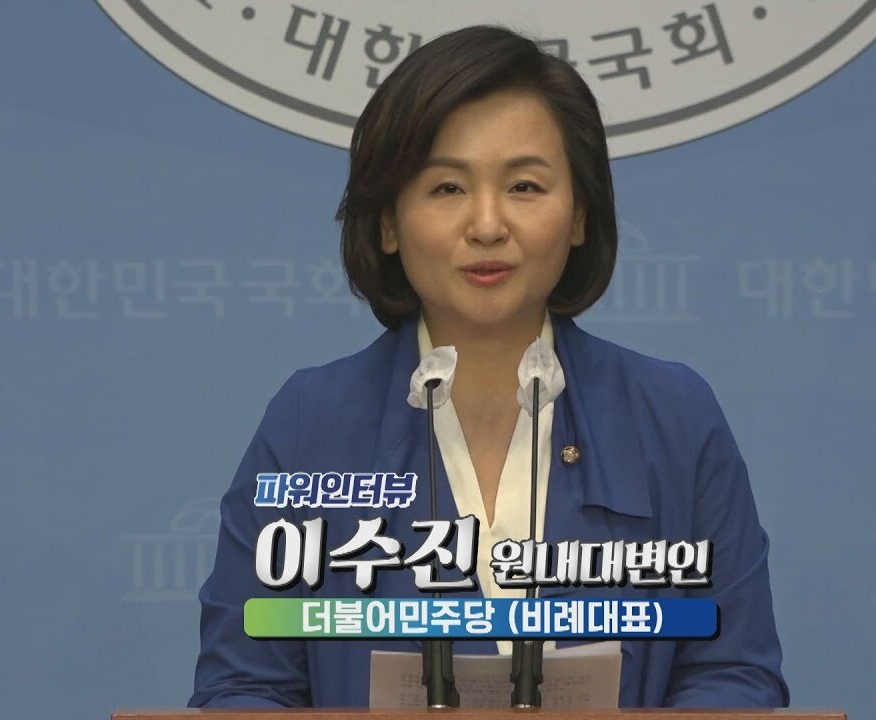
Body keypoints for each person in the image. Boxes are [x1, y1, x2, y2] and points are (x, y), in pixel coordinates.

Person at [189, 25, 788, 709]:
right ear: (388, 223)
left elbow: (733, 674)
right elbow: (245, 684)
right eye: (447, 187)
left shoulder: (673, 416)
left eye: (525, 186)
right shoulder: (311, 423)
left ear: (579, 216)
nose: (487, 225)